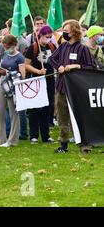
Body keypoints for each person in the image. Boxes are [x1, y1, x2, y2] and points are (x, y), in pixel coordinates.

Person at [49, 20, 96, 153]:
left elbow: (91, 66)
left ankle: (85, 144)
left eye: (66, 31)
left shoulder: (83, 49)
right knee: (62, 118)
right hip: (61, 87)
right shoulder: (62, 47)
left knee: (80, 117)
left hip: (77, 90)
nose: (63, 33)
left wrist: (77, 66)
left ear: (74, 32)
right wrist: (59, 66)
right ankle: (63, 144)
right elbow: (51, 59)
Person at [25, 26, 56, 144]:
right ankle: (33, 135)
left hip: (50, 80)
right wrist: (38, 71)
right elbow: (26, 64)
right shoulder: (33, 47)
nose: (48, 39)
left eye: (50, 37)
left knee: (47, 108)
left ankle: (46, 135)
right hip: (37, 80)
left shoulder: (52, 46)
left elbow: (55, 60)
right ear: (41, 36)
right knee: (35, 108)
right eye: (46, 37)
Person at [0, 35, 26, 147]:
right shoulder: (5, 54)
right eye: (4, 46)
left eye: (7, 46)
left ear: (13, 45)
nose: (5, 47)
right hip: (3, 84)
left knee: (13, 114)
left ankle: (12, 140)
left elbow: (22, 75)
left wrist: (7, 73)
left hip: (13, 86)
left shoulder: (20, 57)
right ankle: (1, 138)